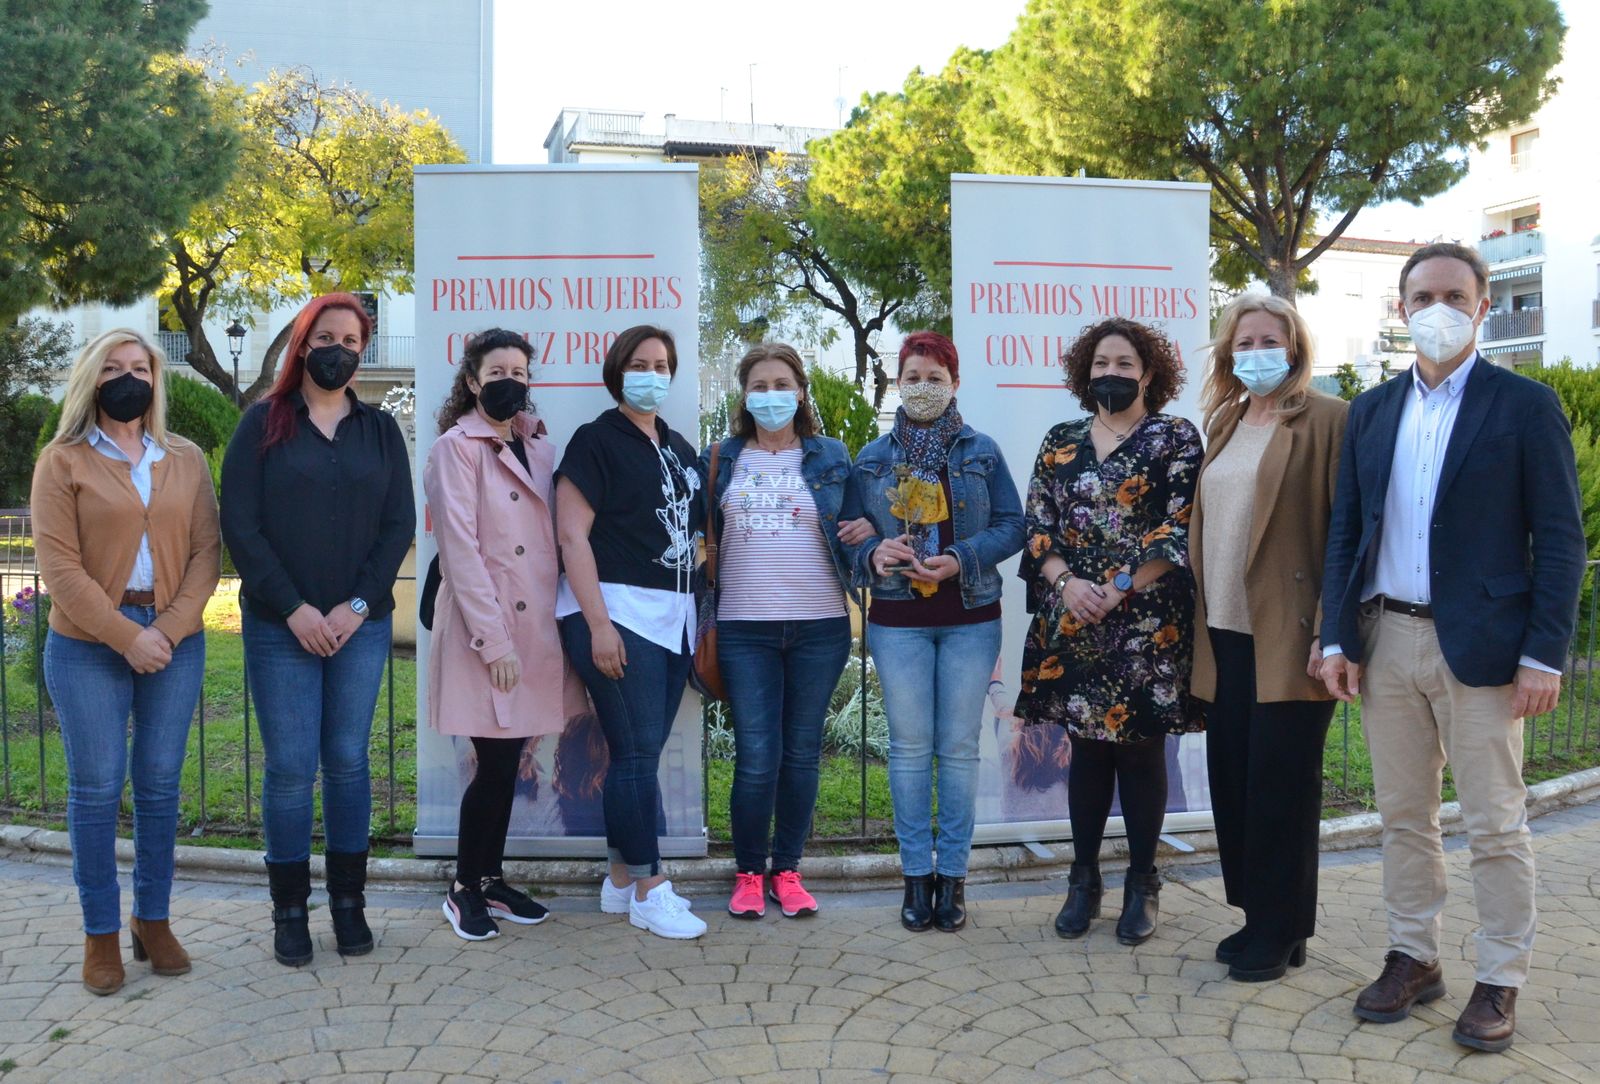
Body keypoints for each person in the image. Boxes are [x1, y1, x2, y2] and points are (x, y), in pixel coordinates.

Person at [1320, 243, 1585, 1052]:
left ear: (1482, 305)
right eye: (1422, 295)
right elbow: (1347, 532)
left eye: (1454, 294)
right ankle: (1414, 955)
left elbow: (1562, 539)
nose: (1437, 307)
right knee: (1403, 816)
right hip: (1388, 639)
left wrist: (1545, 654)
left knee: (1496, 823)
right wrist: (1335, 633)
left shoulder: (1524, 404)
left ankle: (1500, 976)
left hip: (1489, 651)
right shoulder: (1370, 410)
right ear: (1401, 309)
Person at [221, 293, 415, 967]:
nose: (340, 348)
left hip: (359, 627)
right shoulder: (262, 425)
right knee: (290, 768)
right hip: (281, 628)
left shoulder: (381, 432)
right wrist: (295, 608)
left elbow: (399, 527)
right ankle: (289, 910)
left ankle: (347, 903)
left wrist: (357, 606)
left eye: (353, 339)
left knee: (348, 763)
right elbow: (240, 526)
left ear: (363, 350)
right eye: (326, 336)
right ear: (303, 344)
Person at [30, 330, 221, 996]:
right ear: (90, 379)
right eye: (113, 368)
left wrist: (165, 631)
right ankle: (100, 935)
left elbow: (206, 555)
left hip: (175, 637)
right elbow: (59, 567)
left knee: (161, 784)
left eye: (139, 368)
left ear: (156, 380)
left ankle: (153, 919)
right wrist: (125, 637)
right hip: (88, 644)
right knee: (97, 789)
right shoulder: (64, 461)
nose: (128, 378)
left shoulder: (186, 458)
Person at [1014, 317, 1203, 947]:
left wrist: (1119, 586)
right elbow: (1038, 524)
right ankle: (1084, 879)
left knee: (1142, 751)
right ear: (1083, 372)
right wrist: (1067, 583)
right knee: (1087, 750)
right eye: (1100, 365)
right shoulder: (1060, 439)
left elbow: (1180, 523)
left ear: (1149, 372)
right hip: (1072, 616)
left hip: (1146, 620)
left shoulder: (1175, 436)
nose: (1111, 375)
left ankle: (1143, 882)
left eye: (1124, 364)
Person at [1188, 296, 1347, 981]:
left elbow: (1348, 533)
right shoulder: (1223, 420)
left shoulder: (1329, 419)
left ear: (1294, 346)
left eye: (1268, 338)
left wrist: (1336, 632)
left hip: (1291, 635)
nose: (1255, 350)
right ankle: (1263, 917)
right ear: (1229, 354)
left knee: (1283, 785)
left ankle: (1281, 929)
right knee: (1237, 781)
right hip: (1223, 630)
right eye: (1243, 340)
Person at [852, 331, 1025, 933]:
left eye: (934, 377)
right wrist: (875, 551)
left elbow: (1012, 525)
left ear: (955, 382)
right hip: (898, 621)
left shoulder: (983, 451)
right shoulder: (871, 457)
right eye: (912, 377)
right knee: (907, 751)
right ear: (897, 383)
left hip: (970, 617)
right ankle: (913, 879)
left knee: (956, 750)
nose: (922, 387)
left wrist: (962, 557)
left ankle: (952, 880)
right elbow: (848, 537)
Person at [701, 342, 874, 920]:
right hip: (743, 629)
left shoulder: (830, 456)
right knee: (756, 755)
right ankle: (749, 872)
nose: (770, 395)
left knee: (801, 755)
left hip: (820, 627)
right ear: (744, 395)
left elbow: (860, 519)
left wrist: (870, 525)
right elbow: (704, 538)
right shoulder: (720, 458)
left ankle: (789, 870)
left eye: (782, 384)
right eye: (759, 385)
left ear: (800, 392)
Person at [424, 328, 579, 940]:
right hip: (486, 632)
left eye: (519, 371)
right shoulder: (454, 449)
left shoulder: (539, 447)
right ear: (471, 381)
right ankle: (464, 886)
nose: (509, 381)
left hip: (534, 628)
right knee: (492, 764)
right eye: (496, 372)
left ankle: (489, 878)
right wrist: (496, 644)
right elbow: (460, 550)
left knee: (509, 759)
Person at [555, 324, 706, 940]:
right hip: (616, 615)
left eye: (662, 364)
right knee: (637, 756)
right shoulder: (595, 441)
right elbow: (571, 536)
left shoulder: (678, 448)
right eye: (640, 363)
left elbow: (696, 533)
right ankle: (650, 887)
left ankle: (619, 880)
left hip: (673, 620)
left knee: (636, 754)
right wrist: (598, 625)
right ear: (618, 372)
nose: (652, 373)